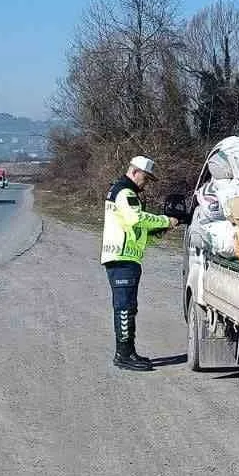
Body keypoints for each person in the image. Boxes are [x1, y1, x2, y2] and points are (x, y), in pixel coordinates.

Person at [101, 155, 178, 370]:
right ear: (134, 172)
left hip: (124, 257)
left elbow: (132, 226)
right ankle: (124, 355)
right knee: (124, 308)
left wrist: (157, 231)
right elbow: (136, 219)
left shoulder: (121, 191)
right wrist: (165, 221)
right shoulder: (125, 193)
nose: (146, 183)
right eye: (145, 177)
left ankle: (127, 352)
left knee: (128, 307)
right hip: (121, 258)